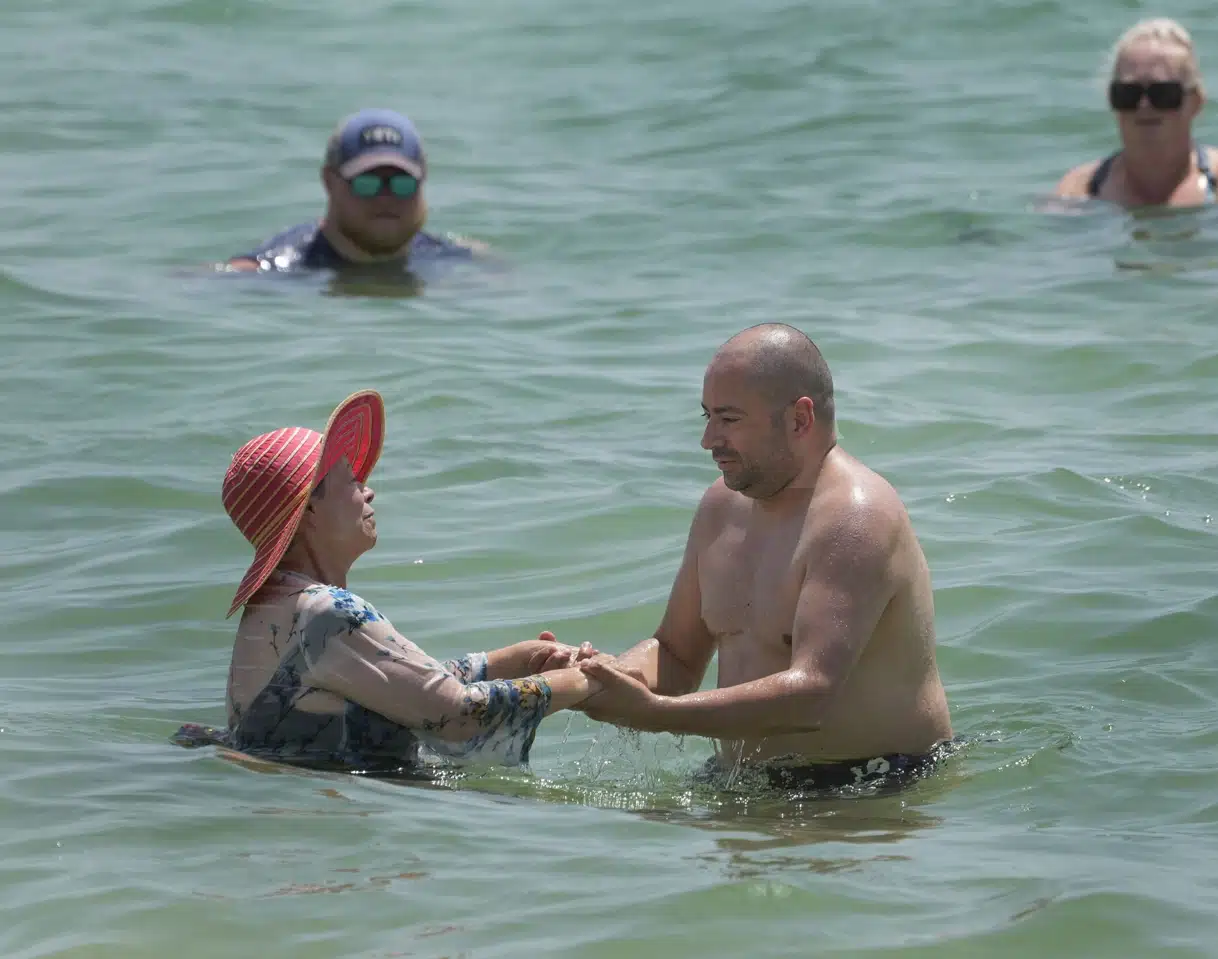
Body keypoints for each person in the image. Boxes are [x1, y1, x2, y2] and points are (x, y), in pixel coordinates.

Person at [575, 324, 956, 793]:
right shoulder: (721, 506)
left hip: (869, 784)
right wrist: (601, 677)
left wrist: (656, 714)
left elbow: (811, 694)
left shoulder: (857, 518)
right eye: (707, 416)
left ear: (799, 419)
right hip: (746, 780)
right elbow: (676, 655)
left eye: (729, 419)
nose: (708, 439)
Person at [172, 389, 599, 773]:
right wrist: (587, 682)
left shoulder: (276, 606)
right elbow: (457, 716)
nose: (369, 490)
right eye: (351, 480)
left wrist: (516, 659)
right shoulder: (326, 613)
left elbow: (402, 684)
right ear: (309, 511)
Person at [1053, 18, 1218, 209]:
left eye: (1162, 94)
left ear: (1195, 103)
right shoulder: (1083, 187)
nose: (1143, 106)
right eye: (1127, 94)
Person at [223, 108, 485, 273]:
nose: (386, 198)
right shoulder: (271, 270)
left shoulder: (456, 259)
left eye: (402, 184)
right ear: (329, 182)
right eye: (367, 183)